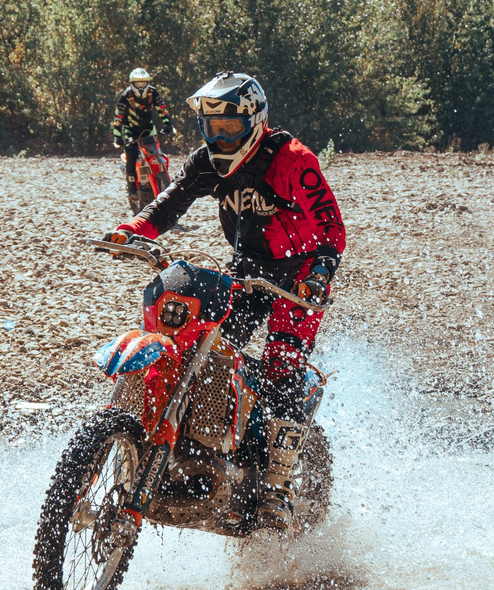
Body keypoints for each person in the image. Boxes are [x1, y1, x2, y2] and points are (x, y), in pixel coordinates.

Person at [106, 72, 345, 527]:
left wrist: (318, 274)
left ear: (254, 122)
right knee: (207, 347)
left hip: (299, 280)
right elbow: (171, 201)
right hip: (248, 269)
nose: (219, 138)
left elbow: (332, 227)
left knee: (282, 367)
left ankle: (276, 487)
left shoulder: (293, 160)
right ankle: (194, 444)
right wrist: (133, 231)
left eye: (229, 129)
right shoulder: (207, 161)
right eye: (212, 129)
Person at [110, 68, 171, 208]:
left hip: (148, 129)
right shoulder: (125, 96)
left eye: (143, 83)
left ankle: (164, 181)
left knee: (157, 153)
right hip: (130, 132)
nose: (141, 86)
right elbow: (117, 118)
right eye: (138, 84)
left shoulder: (153, 92)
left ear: (148, 82)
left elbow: (162, 109)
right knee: (131, 158)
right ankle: (132, 191)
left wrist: (168, 124)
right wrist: (118, 137)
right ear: (132, 84)